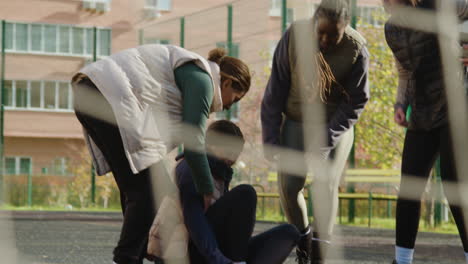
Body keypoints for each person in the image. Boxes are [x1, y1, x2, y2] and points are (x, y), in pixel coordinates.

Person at [71, 45, 251, 264]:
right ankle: (128, 257)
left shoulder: (194, 74)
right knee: (147, 191)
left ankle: (133, 255)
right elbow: (194, 142)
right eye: (236, 98)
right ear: (227, 82)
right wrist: (206, 189)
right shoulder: (202, 80)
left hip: (93, 92)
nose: (230, 106)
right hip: (106, 93)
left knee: (142, 188)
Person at [261, 0, 370, 263]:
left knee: (324, 181)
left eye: (333, 35)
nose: (324, 39)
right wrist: (271, 138)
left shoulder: (356, 49)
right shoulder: (293, 38)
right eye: (319, 32)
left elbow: (356, 101)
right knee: (288, 185)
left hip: (335, 123)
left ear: (345, 28)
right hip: (297, 118)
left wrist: (326, 140)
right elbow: (275, 90)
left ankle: (321, 250)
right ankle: (304, 242)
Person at [383, 0, 468, 263]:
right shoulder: (392, 29)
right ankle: (403, 259)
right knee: (410, 186)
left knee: (455, 182)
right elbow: (405, 72)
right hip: (422, 111)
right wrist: (401, 103)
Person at [177, 120, 300, 264]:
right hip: (192, 252)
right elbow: (196, 225)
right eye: (229, 151)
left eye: (237, 153)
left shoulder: (219, 172)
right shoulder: (191, 168)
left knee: (288, 233)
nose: (233, 159)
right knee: (246, 194)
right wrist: (223, 261)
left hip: (220, 251)